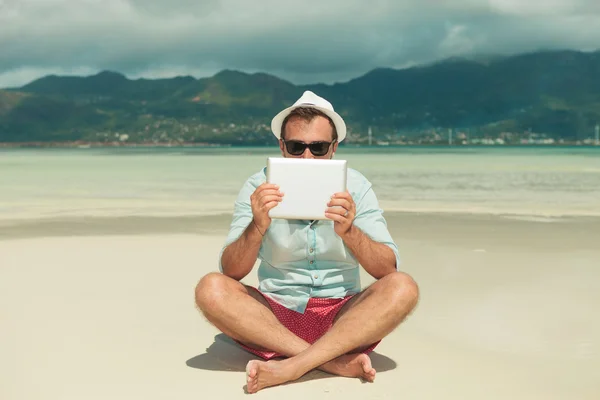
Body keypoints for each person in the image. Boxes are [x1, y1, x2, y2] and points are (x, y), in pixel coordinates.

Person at [195, 91, 419, 394]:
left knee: (404, 287)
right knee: (210, 288)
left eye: (319, 147)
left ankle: (293, 365)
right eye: (296, 147)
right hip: (274, 315)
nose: (307, 157)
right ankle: (332, 362)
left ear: (334, 148)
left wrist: (350, 232)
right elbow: (231, 272)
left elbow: (387, 270)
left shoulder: (357, 186)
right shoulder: (257, 185)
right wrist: (257, 227)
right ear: (282, 146)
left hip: (344, 316)